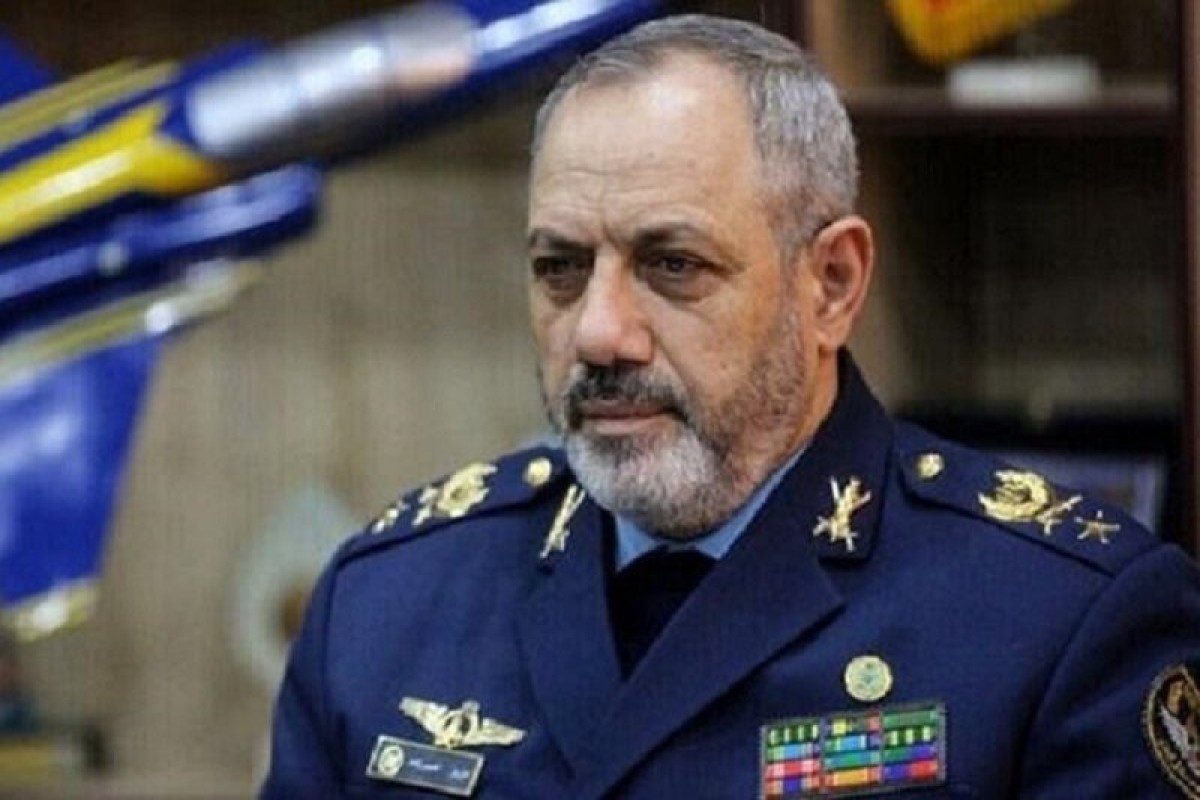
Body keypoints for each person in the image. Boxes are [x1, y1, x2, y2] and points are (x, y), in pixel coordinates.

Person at [261, 14, 1200, 799]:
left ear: (831, 284)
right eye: (561, 268)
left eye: (673, 265)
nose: (599, 332)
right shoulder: (385, 606)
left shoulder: (1059, 623)